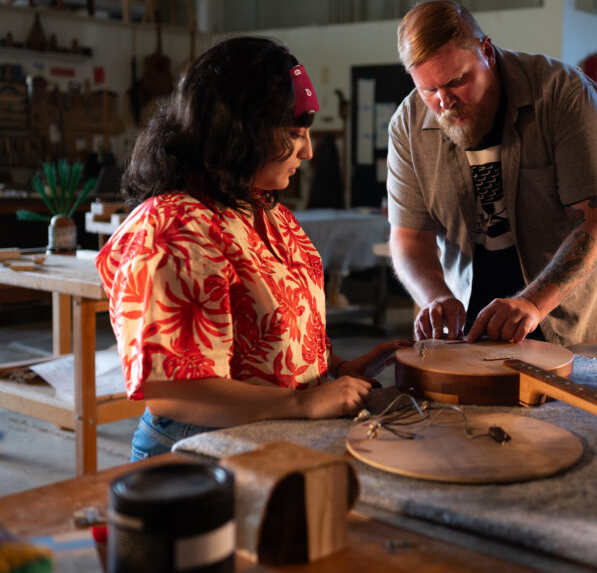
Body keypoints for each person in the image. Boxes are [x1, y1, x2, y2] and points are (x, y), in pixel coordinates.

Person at [96, 37, 408, 460]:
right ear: (241, 130)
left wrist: (333, 370)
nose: (309, 151)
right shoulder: (172, 229)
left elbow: (277, 327)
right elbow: (171, 393)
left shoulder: (261, 208)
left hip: (268, 439)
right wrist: (302, 402)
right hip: (197, 451)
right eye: (296, 134)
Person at [386, 0, 597, 345]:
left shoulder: (565, 95)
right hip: (472, 311)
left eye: (457, 81)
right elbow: (409, 238)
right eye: (429, 90)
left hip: (570, 313)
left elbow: (596, 223)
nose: (445, 102)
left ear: (486, 51)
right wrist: (435, 297)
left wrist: (533, 303)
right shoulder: (408, 125)